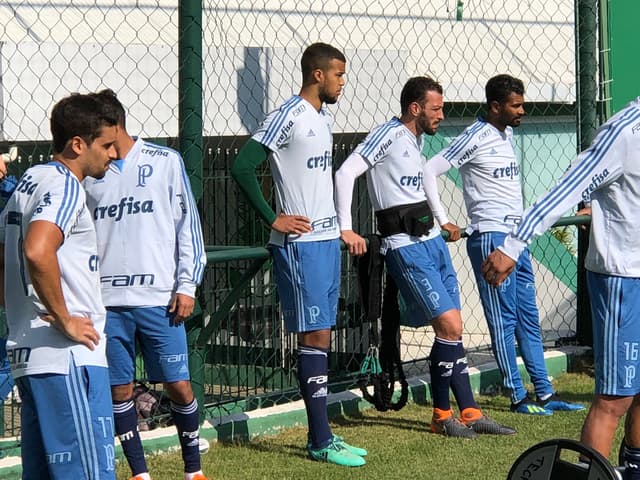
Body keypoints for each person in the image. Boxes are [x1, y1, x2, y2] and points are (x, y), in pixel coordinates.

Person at [334, 76, 516, 438]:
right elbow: (345, 173)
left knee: (455, 331)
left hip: (433, 241)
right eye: (436, 109)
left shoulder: (415, 140)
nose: (441, 116)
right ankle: (441, 415)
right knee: (449, 326)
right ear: (415, 108)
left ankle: (470, 412)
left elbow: (420, 184)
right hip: (406, 247)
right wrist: (346, 227)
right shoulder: (386, 135)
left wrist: (443, 218)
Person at [481, 97, 640, 479]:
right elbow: (569, 184)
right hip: (623, 277)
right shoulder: (624, 132)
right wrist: (513, 245)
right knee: (615, 398)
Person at [231, 43, 367, 467]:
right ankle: (319, 439)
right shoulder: (287, 115)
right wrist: (274, 218)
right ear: (317, 75)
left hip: (326, 242)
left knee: (322, 335)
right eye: (338, 75)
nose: (343, 82)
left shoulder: (321, 118)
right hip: (300, 247)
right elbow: (242, 166)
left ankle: (323, 433)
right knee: (314, 338)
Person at [422, 74, 584, 416]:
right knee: (502, 319)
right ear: (495, 107)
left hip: (516, 240)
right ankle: (517, 396)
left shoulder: (505, 133)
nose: (522, 110)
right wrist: (444, 219)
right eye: (516, 105)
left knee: (528, 317)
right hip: (490, 239)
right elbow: (429, 170)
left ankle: (544, 392)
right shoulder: (475, 136)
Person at [84, 90, 208, 480]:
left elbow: (188, 227)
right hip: (106, 303)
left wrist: (187, 284)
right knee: (118, 391)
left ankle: (193, 470)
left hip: (159, 299)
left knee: (179, 385)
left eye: (98, 130)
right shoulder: (89, 175)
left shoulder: (165, 162)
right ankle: (140, 474)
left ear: (116, 125)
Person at [0, 93, 118, 479]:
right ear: (77, 144)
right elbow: (37, 251)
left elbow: (6, 258)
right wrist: (66, 319)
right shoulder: (65, 186)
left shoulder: (28, 182)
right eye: (106, 145)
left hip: (28, 357)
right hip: (67, 357)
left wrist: (19, 311)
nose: (114, 154)